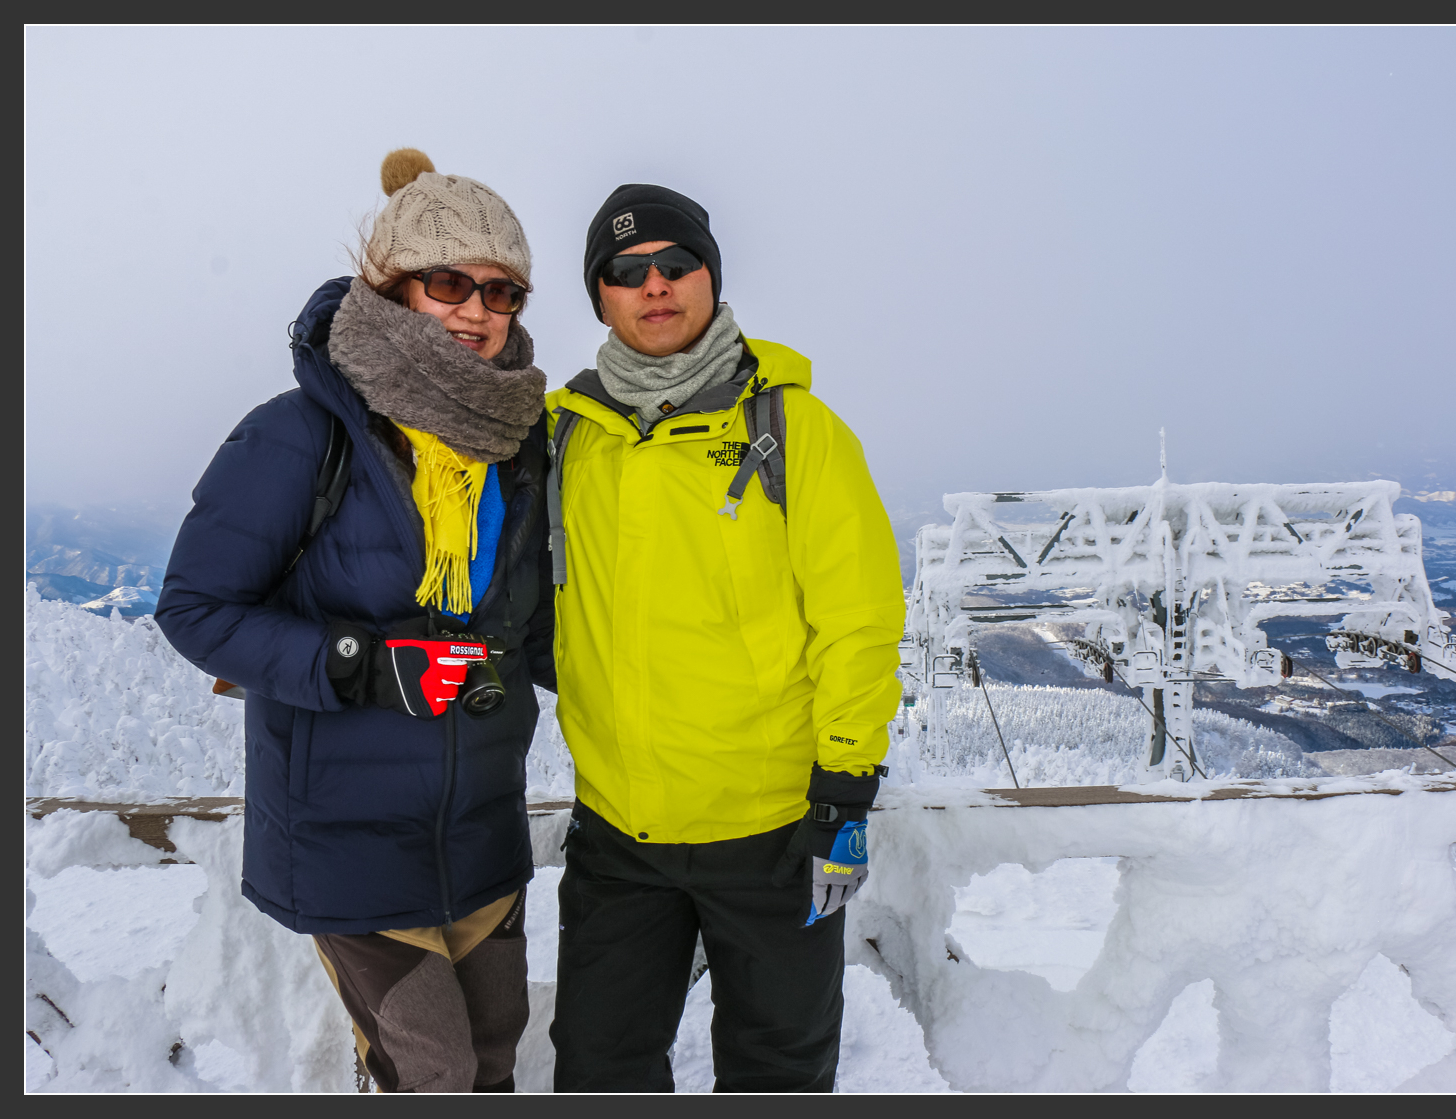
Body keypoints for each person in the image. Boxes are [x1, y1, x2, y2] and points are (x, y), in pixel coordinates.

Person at [155, 149, 556, 1093]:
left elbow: (536, 628)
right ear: (391, 286)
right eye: (449, 282)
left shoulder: (519, 445)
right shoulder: (303, 432)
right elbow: (196, 608)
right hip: (348, 837)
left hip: (481, 827)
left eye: (501, 291)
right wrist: (358, 663)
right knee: (434, 1071)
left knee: (494, 1056)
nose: (476, 310)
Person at [545, 184, 906, 1092]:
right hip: (617, 834)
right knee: (598, 1069)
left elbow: (858, 618)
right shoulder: (562, 437)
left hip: (774, 833)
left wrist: (844, 791)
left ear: (711, 276)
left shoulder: (794, 429)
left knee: (777, 1070)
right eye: (625, 271)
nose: (654, 285)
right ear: (600, 296)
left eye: (676, 263)